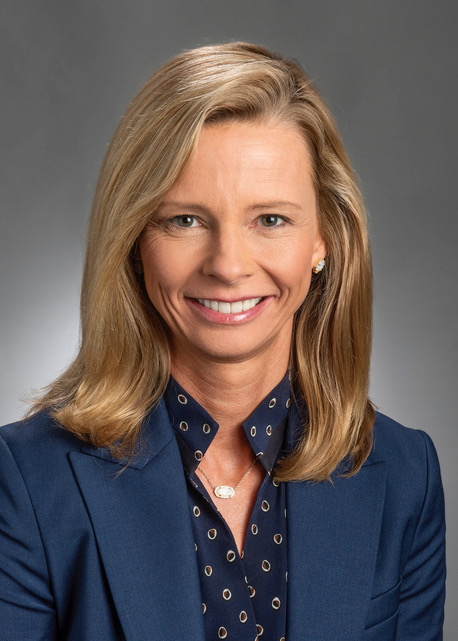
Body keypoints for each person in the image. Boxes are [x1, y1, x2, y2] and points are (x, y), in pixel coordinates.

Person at [0, 42, 445, 641]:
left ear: (325, 240)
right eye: (184, 219)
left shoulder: (404, 476)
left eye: (271, 220)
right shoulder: (26, 483)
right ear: (133, 239)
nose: (228, 265)